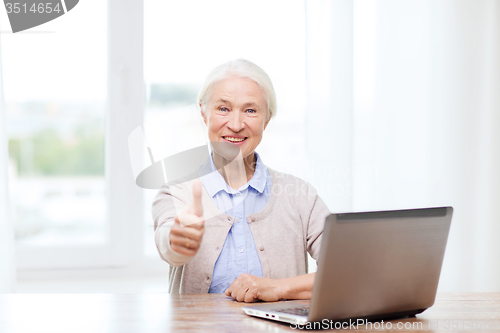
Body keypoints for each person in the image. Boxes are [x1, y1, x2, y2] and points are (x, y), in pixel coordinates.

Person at [152, 59, 330, 303]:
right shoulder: (177, 192)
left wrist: (278, 288)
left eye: (250, 110)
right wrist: (176, 238)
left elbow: (348, 271)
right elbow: (166, 240)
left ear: (267, 120)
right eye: (223, 109)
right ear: (204, 114)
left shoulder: (300, 195)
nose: (235, 125)